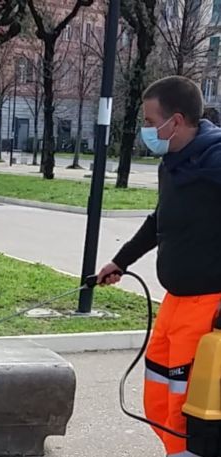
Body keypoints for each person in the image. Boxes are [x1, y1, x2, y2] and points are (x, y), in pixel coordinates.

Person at [97, 75, 221, 456]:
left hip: (207, 307)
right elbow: (159, 221)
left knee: (190, 411)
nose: (146, 130)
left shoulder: (215, 162)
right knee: (158, 398)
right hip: (174, 303)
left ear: (176, 121)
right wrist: (120, 261)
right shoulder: (172, 164)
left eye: (150, 122)